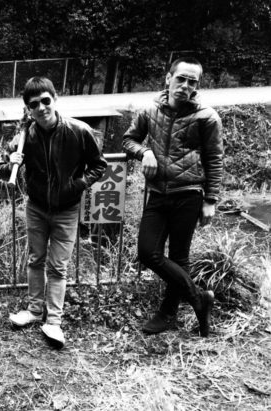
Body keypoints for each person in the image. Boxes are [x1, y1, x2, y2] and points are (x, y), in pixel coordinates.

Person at [0, 76, 107, 348]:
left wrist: (77, 185)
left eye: (45, 101)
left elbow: (98, 165)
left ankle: (54, 321)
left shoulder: (79, 131)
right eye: (34, 104)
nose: (41, 108)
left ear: (55, 99)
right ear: (28, 109)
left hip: (67, 210)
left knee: (58, 266)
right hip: (36, 208)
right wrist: (10, 162)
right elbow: (2, 170)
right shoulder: (25, 137)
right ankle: (35, 311)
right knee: (35, 259)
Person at [123, 57, 223, 337]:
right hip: (158, 193)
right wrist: (144, 152)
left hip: (189, 194)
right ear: (168, 78)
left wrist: (211, 200)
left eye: (192, 81)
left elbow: (215, 159)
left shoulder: (207, 117)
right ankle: (199, 298)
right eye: (181, 78)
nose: (185, 86)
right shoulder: (150, 110)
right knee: (147, 252)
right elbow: (128, 140)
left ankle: (168, 313)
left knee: (180, 257)